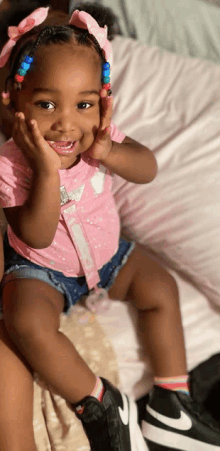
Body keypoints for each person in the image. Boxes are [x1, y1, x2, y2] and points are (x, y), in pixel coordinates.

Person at [0, 3, 219, 451]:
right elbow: (36, 235)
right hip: (43, 271)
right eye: (46, 104)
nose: (66, 122)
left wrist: (109, 153)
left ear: (102, 101)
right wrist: (45, 171)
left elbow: (148, 168)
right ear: (13, 100)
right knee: (24, 320)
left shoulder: (101, 137)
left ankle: (172, 402)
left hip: (108, 255)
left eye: (83, 104)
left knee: (160, 287)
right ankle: (99, 400)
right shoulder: (10, 164)